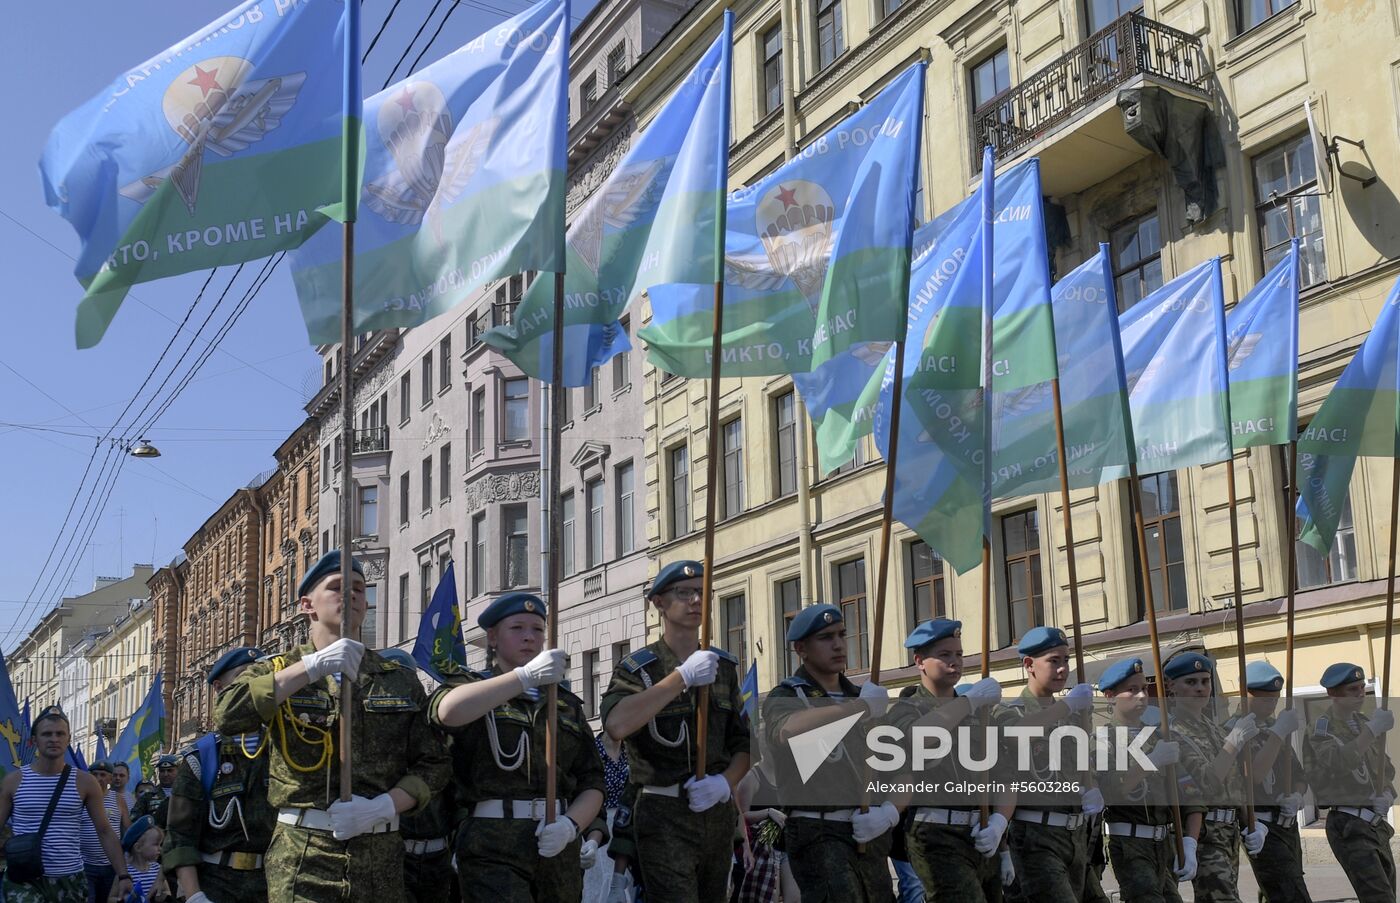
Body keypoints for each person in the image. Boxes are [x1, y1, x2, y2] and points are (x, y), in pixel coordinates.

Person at [213, 550, 451, 902]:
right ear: (307, 605)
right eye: (338, 587)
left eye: (359, 588)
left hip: (379, 855)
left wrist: (385, 805)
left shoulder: (397, 679)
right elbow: (228, 714)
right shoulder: (279, 669)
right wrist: (310, 668)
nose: (352, 595)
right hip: (304, 855)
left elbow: (434, 763)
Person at [427, 591, 605, 903]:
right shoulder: (471, 685)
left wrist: (571, 825)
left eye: (538, 629)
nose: (529, 638)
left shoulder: (564, 703)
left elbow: (592, 780)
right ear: (493, 637)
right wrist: (524, 678)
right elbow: (447, 712)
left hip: (557, 843)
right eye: (517, 628)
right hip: (492, 844)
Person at [601, 560, 752, 903]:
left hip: (715, 811)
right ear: (658, 602)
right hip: (662, 813)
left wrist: (724, 783)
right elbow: (617, 724)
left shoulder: (722, 667)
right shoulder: (639, 669)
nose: (696, 600)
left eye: (702, 592)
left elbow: (744, 743)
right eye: (684, 593)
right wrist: (681, 677)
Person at [760, 603, 893, 902]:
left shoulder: (863, 696)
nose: (838, 645)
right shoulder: (787, 695)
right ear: (801, 648)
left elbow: (899, 767)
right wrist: (859, 708)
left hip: (868, 833)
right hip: (818, 832)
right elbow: (788, 730)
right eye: (826, 637)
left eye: (841, 635)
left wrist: (889, 813)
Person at [885, 619, 1006, 902]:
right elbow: (916, 737)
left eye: (960, 654)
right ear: (920, 662)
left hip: (981, 835)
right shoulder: (907, 709)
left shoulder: (979, 713)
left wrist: (1000, 823)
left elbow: (1004, 776)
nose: (956, 662)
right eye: (945, 655)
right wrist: (969, 702)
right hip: (935, 836)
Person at [163, 646, 277, 903]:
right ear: (219, 689)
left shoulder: (284, 749)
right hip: (217, 884)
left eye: (261, 678)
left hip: (274, 884)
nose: (253, 687)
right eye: (244, 678)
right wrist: (195, 896)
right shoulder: (202, 758)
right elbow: (180, 836)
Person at [1001, 627, 1098, 903]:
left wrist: (1090, 788)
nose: (1063, 669)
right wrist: (1067, 707)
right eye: (1053, 661)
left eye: (1066, 660)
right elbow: (1014, 734)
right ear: (1029, 665)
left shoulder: (1072, 715)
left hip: (1074, 835)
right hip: (1035, 837)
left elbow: (1080, 762)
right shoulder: (1010, 711)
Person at [0, 706, 134, 903]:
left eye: (60, 734)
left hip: (70, 878)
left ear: (68, 739)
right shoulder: (14, 781)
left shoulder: (85, 782)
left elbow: (105, 831)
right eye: (47, 734)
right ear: (34, 740)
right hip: (24, 878)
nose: (54, 739)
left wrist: (123, 875)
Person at [1163, 651, 1267, 903]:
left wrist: (1251, 822)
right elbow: (1206, 783)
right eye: (1191, 682)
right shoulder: (1171, 734)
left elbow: (1236, 784)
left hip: (1229, 832)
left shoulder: (1215, 729)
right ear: (1171, 688)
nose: (1200, 688)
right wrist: (1233, 743)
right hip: (1203, 835)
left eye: (1205, 681)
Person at [1094, 657, 1192, 903]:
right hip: (1131, 845)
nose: (1141, 696)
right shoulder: (1103, 740)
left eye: (1144, 688)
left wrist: (1188, 841)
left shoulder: (1157, 736)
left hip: (1164, 843)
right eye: (1131, 689)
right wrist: (1152, 761)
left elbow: (1185, 790)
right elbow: (1112, 791)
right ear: (1110, 696)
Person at [1303, 661, 1396, 903]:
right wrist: (1372, 731)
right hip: (1348, 824)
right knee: (1378, 897)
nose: (1359, 694)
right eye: (1352, 689)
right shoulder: (1321, 728)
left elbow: (1386, 768)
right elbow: (1337, 762)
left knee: (1388, 894)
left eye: (1362, 687)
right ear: (1333, 693)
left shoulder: (1365, 722)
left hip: (1375, 824)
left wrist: (1386, 793)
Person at [376, 647, 459, 903]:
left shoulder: (438, 737)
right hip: (390, 856)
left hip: (439, 858)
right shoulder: (371, 741)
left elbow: (459, 795)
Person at [1232, 661, 1309, 903]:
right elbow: (1252, 777)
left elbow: (1299, 775)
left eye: (1275, 699)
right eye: (1266, 699)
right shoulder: (1235, 729)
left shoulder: (1273, 727)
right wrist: (1277, 734)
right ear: (1246, 695)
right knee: (1291, 894)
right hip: (1261, 826)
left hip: (1287, 827)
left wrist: (1296, 796)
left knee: (1281, 889)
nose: (1273, 705)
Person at [79, 761, 128, 903]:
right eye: (94, 774)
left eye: (102, 775)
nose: (98, 778)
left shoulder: (118, 799)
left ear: (110, 778)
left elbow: (127, 827)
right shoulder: (81, 798)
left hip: (111, 866)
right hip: (86, 865)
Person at [116, 816, 168, 902]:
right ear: (138, 847)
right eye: (156, 844)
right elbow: (111, 898)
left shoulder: (158, 869)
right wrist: (124, 899)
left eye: (160, 844)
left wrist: (163, 895)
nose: (160, 849)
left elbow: (167, 891)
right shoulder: (125, 873)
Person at [131, 758, 178, 831]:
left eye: (170, 770)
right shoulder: (148, 796)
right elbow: (135, 819)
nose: (166, 774)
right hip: (157, 839)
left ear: (178, 771)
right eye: (162, 771)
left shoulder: (187, 793)